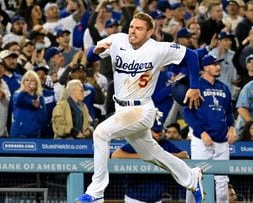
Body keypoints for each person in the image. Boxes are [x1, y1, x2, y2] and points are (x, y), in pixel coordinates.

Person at [75, 12, 204, 203]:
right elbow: (90, 57)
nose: (133, 31)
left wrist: (194, 87)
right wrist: (94, 51)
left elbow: (192, 56)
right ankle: (191, 177)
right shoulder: (118, 40)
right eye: (132, 27)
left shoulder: (158, 49)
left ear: (150, 32)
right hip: (122, 109)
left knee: (101, 133)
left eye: (139, 28)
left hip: (141, 109)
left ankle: (96, 192)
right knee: (151, 153)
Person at [183, 54, 236, 203]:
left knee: (222, 180)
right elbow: (187, 112)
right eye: (214, 64)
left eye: (218, 64)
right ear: (205, 67)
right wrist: (202, 132)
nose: (218, 67)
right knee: (196, 177)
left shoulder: (224, 87)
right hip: (202, 140)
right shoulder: (196, 86)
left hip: (222, 141)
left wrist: (232, 128)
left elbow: (229, 111)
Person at [111, 121, 189, 203]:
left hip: (156, 198)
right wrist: (142, 156)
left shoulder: (164, 143)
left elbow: (185, 155)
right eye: (156, 131)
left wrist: (163, 156)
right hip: (134, 197)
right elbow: (115, 155)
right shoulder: (138, 141)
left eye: (160, 131)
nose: (158, 134)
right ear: (148, 131)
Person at [10, 70, 46, 138]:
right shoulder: (18, 94)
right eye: (26, 80)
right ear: (23, 82)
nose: (29, 82)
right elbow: (17, 102)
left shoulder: (39, 97)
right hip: (19, 134)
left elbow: (43, 118)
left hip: (35, 134)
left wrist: (38, 107)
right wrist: (23, 92)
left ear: (37, 83)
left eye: (32, 80)